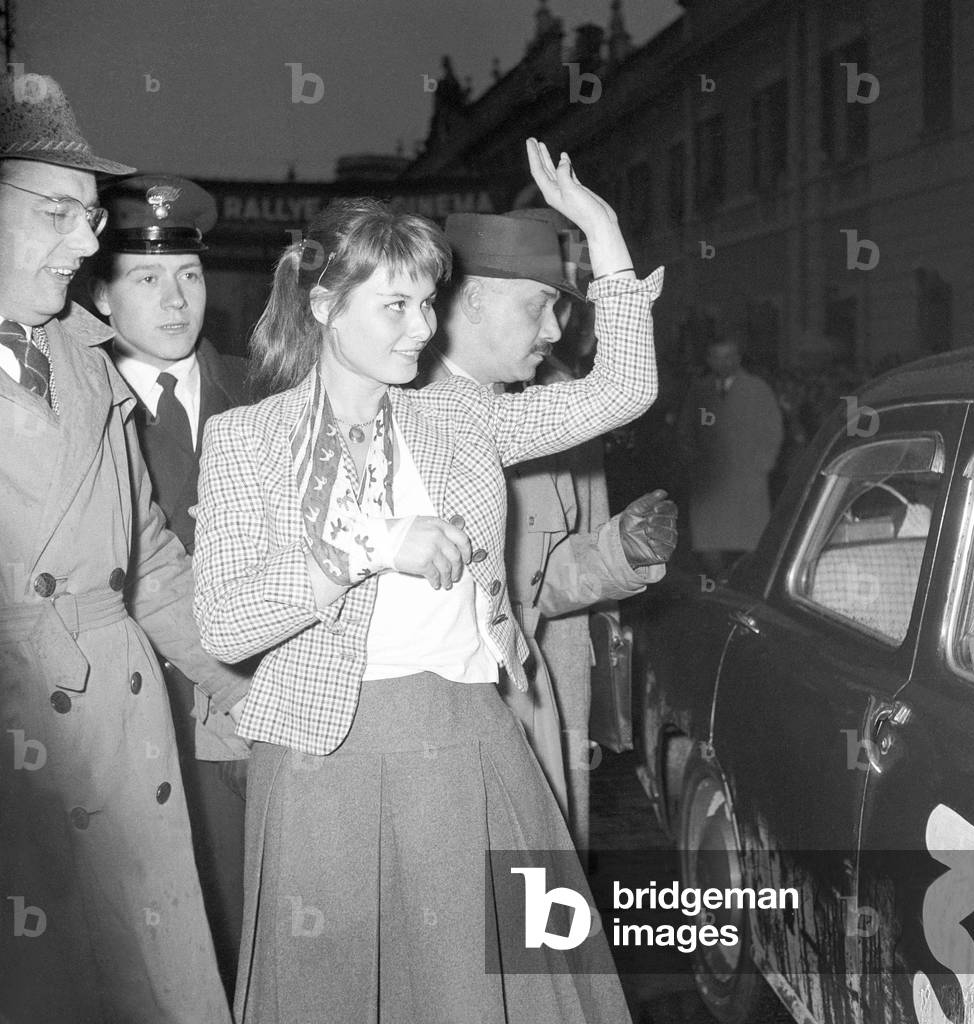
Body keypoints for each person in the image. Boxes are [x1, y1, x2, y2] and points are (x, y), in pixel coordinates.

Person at [192, 138, 662, 1024]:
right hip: (318, 758)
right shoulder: (245, 443)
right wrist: (367, 545)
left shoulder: (458, 416)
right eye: (398, 305)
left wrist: (598, 231)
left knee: (486, 994)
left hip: (468, 740)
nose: (422, 328)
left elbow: (622, 390)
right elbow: (224, 625)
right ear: (325, 304)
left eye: (428, 303)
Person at [0, 74, 243, 1021]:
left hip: (120, 729)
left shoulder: (80, 358)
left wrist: (242, 690)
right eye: (59, 212)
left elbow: (148, 563)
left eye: (91, 215)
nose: (86, 239)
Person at [420, 207, 676, 852]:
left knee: (535, 912)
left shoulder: (539, 404)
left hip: (539, 690)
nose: (559, 329)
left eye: (567, 304)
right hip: (448, 712)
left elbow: (547, 572)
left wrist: (620, 551)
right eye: (542, 304)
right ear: (472, 300)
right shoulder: (411, 405)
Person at [89, 174, 251, 999]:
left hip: (252, 715)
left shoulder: (264, 395)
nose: (175, 299)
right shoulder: (78, 408)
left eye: (188, 275)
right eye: (146, 279)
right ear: (101, 298)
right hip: (126, 717)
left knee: (255, 927)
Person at [676, 332, 783, 577]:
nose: (723, 362)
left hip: (747, 480)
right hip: (709, 482)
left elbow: (773, 429)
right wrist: (693, 460)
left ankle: (743, 590)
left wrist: (764, 463)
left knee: (750, 544)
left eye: (728, 357)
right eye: (717, 357)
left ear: (738, 358)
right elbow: (686, 429)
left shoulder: (757, 388)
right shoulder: (699, 390)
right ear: (709, 359)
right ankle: (719, 586)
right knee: (709, 545)